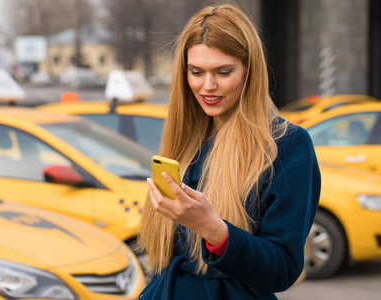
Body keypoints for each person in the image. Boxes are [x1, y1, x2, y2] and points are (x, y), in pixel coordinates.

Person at [137, 3, 321, 300]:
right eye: (196, 72)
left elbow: (283, 269)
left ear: (251, 71)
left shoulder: (287, 145)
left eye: (223, 72)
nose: (207, 86)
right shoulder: (184, 138)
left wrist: (215, 231)